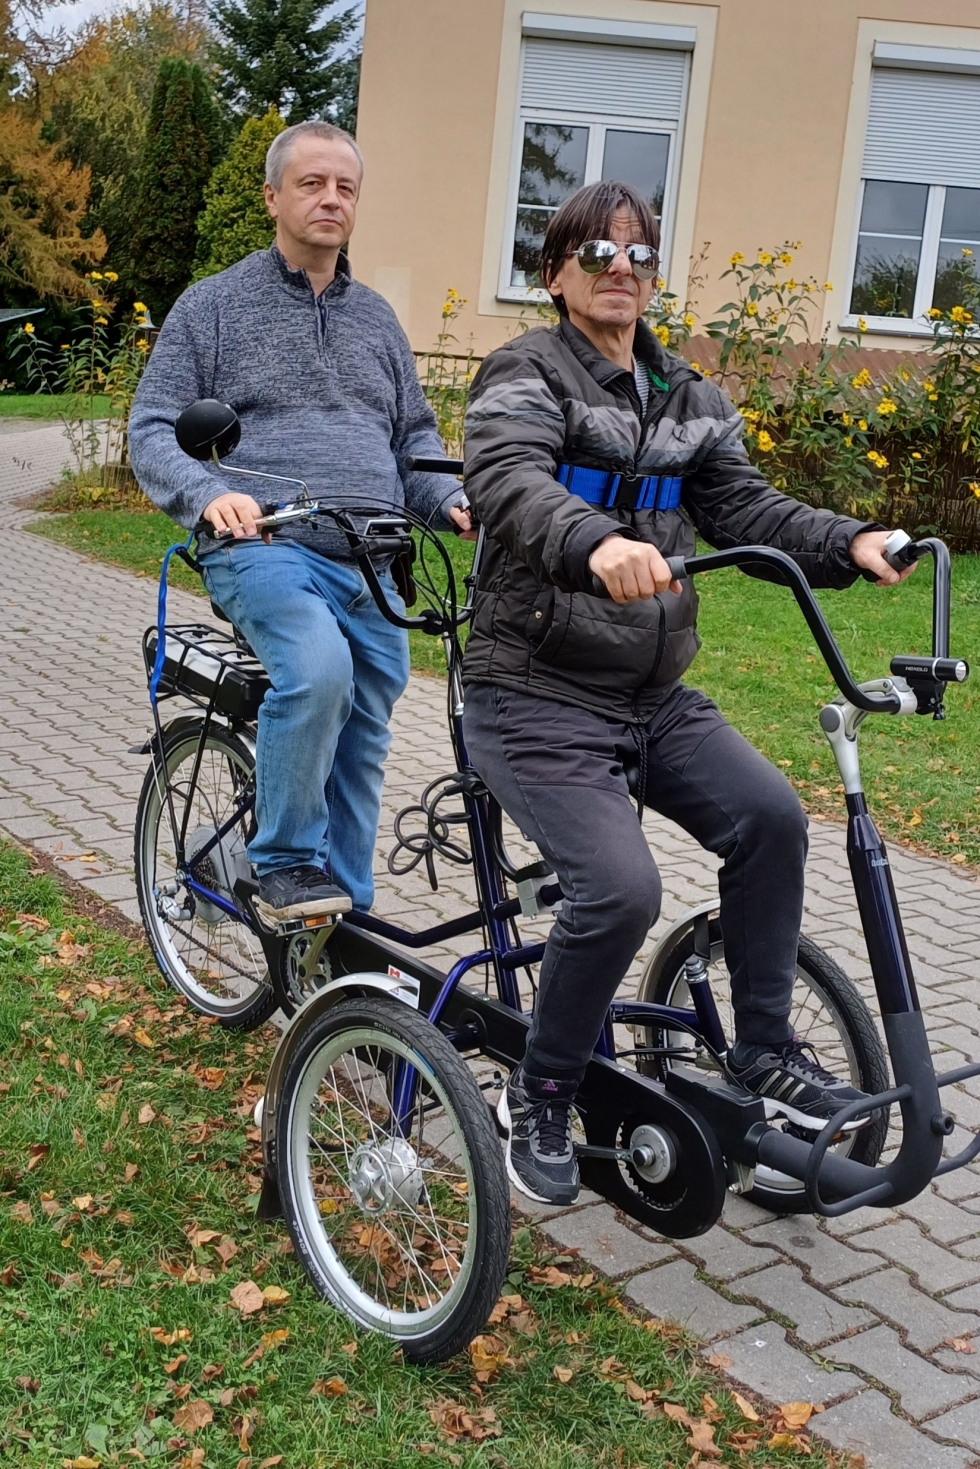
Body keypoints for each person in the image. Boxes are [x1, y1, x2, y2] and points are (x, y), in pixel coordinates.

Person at [460, 179, 916, 1206]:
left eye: (638, 254)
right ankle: (543, 1087)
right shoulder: (523, 372)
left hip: (651, 695)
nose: (619, 269)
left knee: (770, 817)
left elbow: (743, 507)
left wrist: (846, 539)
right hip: (530, 691)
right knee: (620, 889)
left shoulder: (687, 394)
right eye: (596, 253)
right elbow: (509, 483)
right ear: (555, 274)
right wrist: (594, 540)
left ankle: (761, 1048)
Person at [129, 120, 471, 926]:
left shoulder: (377, 320)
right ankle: (282, 864)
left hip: (370, 557)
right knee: (319, 673)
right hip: (265, 546)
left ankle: (343, 915)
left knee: (366, 722)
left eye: (345, 187)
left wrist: (449, 500)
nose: (331, 199)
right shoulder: (214, 305)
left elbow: (413, 438)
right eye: (312, 183)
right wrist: (206, 493)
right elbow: (151, 427)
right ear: (273, 197)